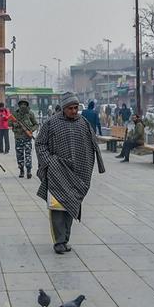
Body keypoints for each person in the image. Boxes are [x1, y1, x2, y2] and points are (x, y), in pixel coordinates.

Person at [36, 93, 105, 254]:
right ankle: (59, 241)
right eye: (70, 108)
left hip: (77, 174)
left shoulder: (83, 123)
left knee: (71, 206)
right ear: (63, 108)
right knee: (58, 207)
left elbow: (93, 145)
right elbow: (40, 143)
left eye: (76, 108)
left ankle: (65, 239)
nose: (74, 111)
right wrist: (50, 162)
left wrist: (90, 167)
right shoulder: (51, 123)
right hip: (57, 173)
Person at [10, 98, 39, 178]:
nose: (23, 106)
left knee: (28, 155)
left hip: (27, 138)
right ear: (19, 105)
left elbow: (36, 124)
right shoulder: (15, 114)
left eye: (24, 104)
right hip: (18, 137)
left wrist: (30, 131)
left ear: (27, 105)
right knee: (19, 155)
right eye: (21, 104)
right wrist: (15, 124)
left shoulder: (30, 114)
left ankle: (29, 170)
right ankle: (21, 170)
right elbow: (9, 123)